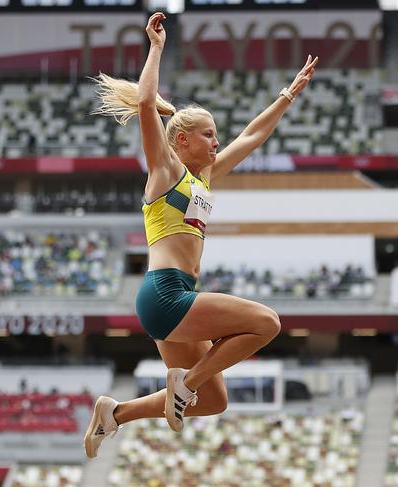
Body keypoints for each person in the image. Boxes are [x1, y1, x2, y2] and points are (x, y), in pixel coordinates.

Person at [83, 12, 318, 458]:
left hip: (178, 298)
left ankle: (115, 413)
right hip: (165, 293)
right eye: (208, 135)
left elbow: (252, 135)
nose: (216, 142)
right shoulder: (165, 171)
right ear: (182, 141)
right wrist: (155, 47)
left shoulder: (203, 180)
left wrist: (288, 95)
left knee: (214, 401)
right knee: (266, 323)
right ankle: (183, 384)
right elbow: (148, 104)